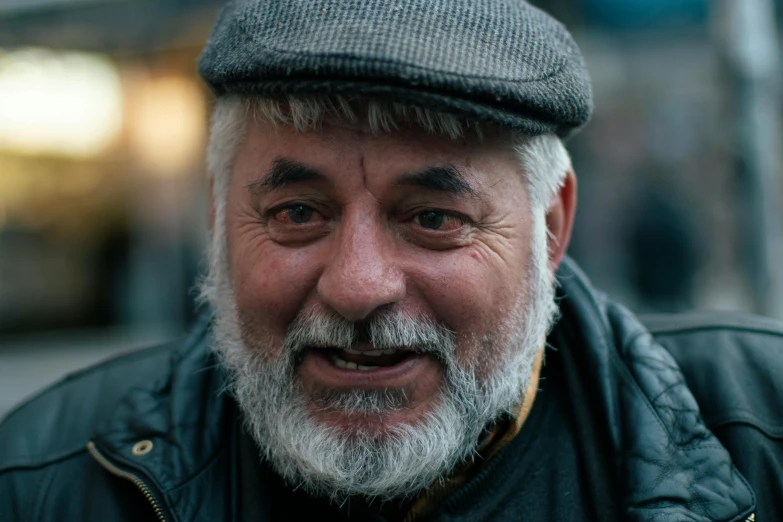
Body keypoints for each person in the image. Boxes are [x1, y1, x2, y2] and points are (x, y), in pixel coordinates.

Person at [1, 1, 781, 520]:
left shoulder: (760, 432)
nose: (357, 286)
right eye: (297, 214)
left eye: (434, 218)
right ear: (217, 220)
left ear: (549, 227)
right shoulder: (42, 480)